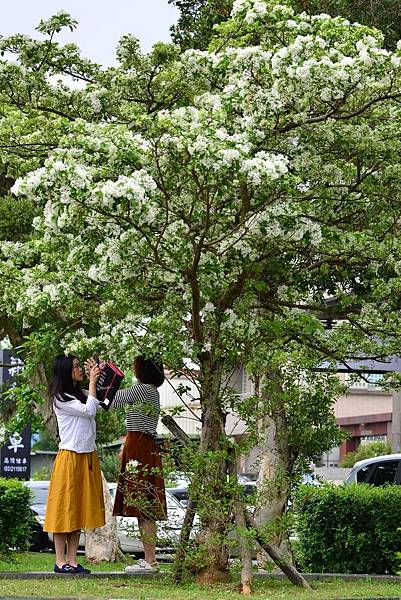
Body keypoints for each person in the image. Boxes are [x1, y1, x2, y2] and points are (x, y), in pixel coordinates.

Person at [87, 354, 167, 571]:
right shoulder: (153, 391)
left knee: (142, 504)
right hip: (146, 446)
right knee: (145, 504)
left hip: (138, 445)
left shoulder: (142, 389)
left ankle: (150, 561)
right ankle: (150, 560)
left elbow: (110, 400)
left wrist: (96, 380)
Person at [43, 354, 105, 574]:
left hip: (87, 456)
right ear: (65, 372)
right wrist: (92, 382)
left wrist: (100, 373)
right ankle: (60, 561)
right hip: (69, 457)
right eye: (77, 367)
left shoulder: (82, 395)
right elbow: (89, 410)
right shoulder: (60, 398)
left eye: (81, 366)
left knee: (78, 509)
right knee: (63, 509)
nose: (80, 370)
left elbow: (102, 403)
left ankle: (72, 560)